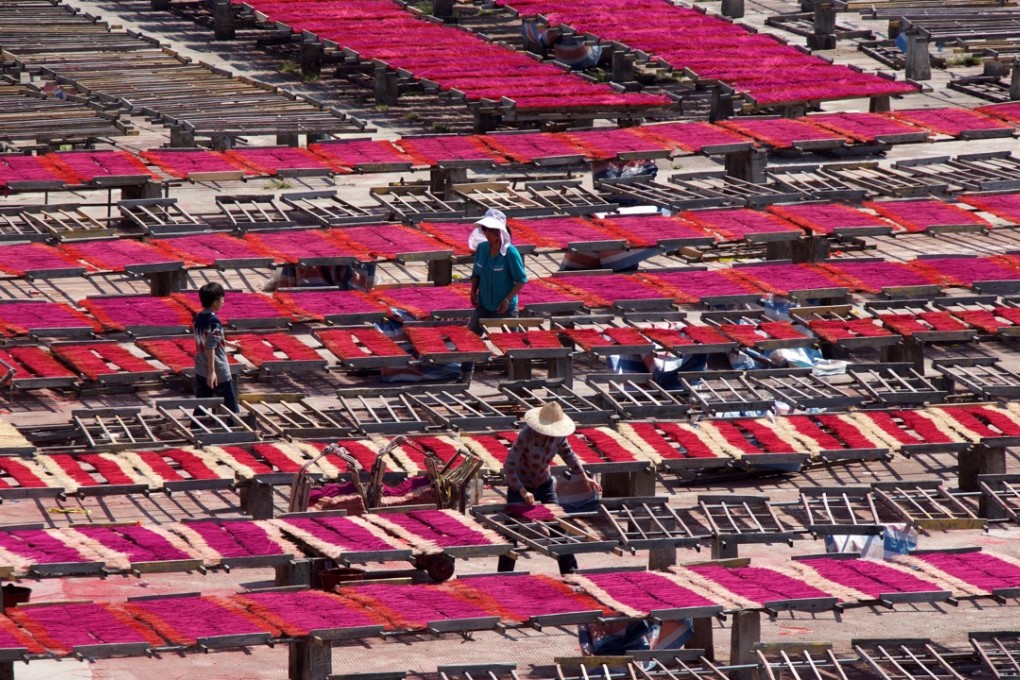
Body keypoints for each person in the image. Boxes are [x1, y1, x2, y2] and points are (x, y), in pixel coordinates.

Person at [498, 402, 601, 575]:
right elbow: (509, 466)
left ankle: (570, 573)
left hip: (544, 482)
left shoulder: (559, 437)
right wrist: (523, 491)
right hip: (521, 484)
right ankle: (504, 575)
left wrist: (583, 476)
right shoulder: (526, 435)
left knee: (558, 526)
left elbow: (569, 455)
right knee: (511, 531)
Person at [462, 208, 527, 383]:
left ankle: (515, 376)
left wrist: (507, 299)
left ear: (498, 233)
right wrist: (473, 291)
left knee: (512, 343)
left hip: (505, 307)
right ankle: (466, 373)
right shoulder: (482, 249)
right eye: (484, 230)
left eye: (488, 231)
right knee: (470, 337)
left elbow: (521, 279)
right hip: (484, 304)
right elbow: (476, 272)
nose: (485, 234)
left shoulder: (510, 253)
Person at [193, 282, 240, 413]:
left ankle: (195, 428)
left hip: (200, 367)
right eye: (222, 298)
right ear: (215, 302)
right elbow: (210, 345)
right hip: (217, 371)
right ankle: (238, 430)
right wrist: (212, 372)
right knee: (231, 406)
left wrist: (229, 344)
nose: (223, 301)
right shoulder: (214, 322)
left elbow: (208, 338)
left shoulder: (199, 317)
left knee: (201, 405)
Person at [522, 18, 604, 71]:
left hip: (567, 63)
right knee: (597, 45)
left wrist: (529, 28)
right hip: (587, 59)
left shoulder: (558, 20)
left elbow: (543, 42)